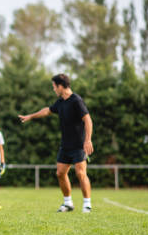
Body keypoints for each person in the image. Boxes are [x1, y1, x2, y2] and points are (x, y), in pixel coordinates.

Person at [18, 74, 94, 213]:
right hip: (65, 145)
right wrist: (31, 116)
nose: (53, 89)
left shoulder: (76, 100)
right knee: (60, 173)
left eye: (54, 87)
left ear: (60, 86)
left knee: (81, 173)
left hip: (78, 145)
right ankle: (68, 203)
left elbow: (88, 120)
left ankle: (87, 204)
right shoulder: (61, 102)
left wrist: (87, 140)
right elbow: (47, 110)